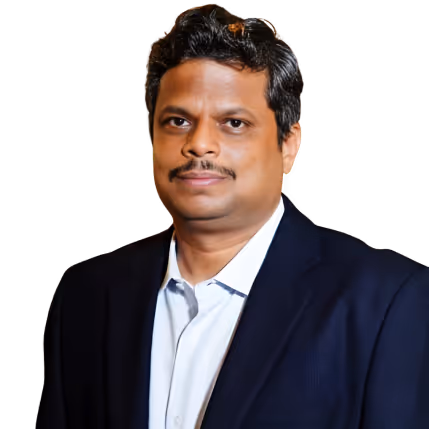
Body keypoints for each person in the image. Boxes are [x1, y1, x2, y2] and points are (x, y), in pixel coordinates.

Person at [37, 4, 429, 428]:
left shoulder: (385, 302)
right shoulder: (87, 296)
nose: (199, 143)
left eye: (234, 123)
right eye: (177, 120)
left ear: (289, 145)